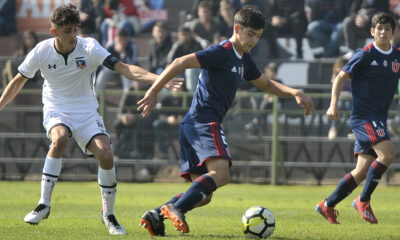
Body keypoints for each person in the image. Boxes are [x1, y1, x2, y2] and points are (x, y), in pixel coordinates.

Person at [0, 4, 182, 235]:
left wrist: (160, 80)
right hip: (57, 108)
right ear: (54, 32)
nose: (73, 35)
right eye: (67, 30)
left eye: (75, 29)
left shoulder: (89, 47)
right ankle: (43, 204)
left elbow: (125, 68)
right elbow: (17, 81)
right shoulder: (41, 51)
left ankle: (109, 215)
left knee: (105, 155)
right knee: (59, 139)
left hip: (87, 112)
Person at [137, 8, 314, 236]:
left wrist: (294, 92)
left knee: (204, 196)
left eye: (258, 36)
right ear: (237, 29)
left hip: (193, 124)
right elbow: (180, 61)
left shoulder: (244, 60)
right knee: (221, 174)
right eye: (250, 34)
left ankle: (155, 215)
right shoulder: (222, 52)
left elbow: (267, 85)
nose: (254, 40)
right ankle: (175, 208)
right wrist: (153, 92)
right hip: (203, 121)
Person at [316, 12, 399, 224]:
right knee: (387, 154)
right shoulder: (365, 54)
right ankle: (363, 200)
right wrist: (333, 104)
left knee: (362, 171)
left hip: (377, 117)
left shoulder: (397, 56)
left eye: (387, 28)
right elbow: (341, 77)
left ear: (393, 32)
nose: (383, 32)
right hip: (364, 117)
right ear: (372, 31)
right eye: (379, 28)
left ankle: (327, 204)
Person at [95, 28, 137, 92]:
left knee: (126, 74)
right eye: (119, 40)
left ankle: (127, 96)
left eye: (124, 40)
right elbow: (105, 62)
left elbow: (132, 63)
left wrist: (123, 53)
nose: (121, 42)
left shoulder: (132, 46)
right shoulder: (110, 46)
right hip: (112, 68)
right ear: (115, 39)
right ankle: (97, 93)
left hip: (125, 68)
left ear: (127, 39)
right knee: (104, 72)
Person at [327, 55, 352, 139]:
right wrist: (338, 75)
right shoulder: (336, 75)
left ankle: (354, 130)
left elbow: (351, 86)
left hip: (350, 97)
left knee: (350, 106)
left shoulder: (351, 74)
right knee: (339, 106)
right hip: (340, 98)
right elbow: (333, 84)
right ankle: (333, 128)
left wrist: (347, 77)